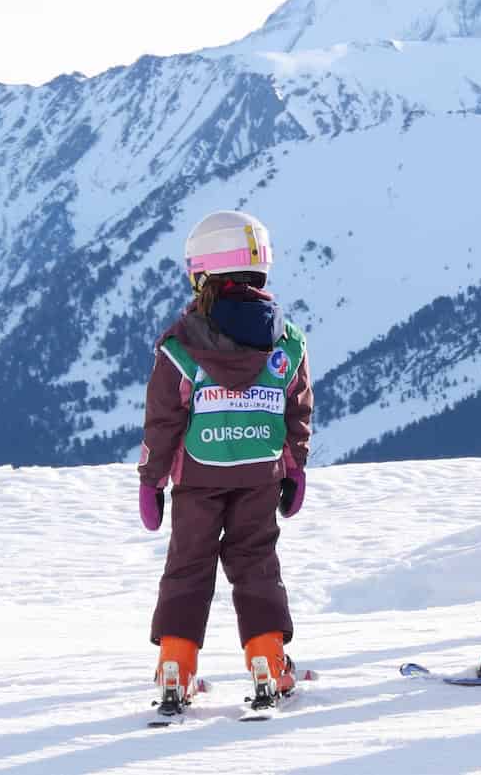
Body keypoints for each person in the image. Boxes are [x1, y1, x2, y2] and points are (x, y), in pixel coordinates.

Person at [140, 210, 313, 715]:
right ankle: (266, 661)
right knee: (256, 563)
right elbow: (296, 410)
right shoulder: (288, 343)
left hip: (197, 475)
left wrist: (151, 481)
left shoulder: (181, 347)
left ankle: (176, 667)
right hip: (260, 474)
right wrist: (295, 468)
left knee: (187, 566)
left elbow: (163, 423)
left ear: (203, 274)